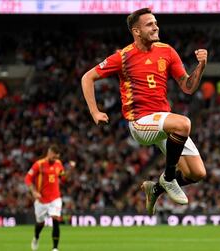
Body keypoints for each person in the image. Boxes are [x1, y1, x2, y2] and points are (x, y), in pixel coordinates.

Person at [81, 7, 207, 214]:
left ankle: (155, 188)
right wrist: (95, 112)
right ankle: (167, 178)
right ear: (136, 31)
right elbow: (87, 77)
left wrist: (201, 66)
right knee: (184, 123)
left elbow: (187, 87)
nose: (156, 26)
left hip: (162, 122)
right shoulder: (123, 57)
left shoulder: (166, 51)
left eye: (155, 22)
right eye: (149, 24)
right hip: (140, 122)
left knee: (197, 173)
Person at [25, 145, 75, 251]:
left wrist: (71, 169)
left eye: (57, 157)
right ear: (49, 153)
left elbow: (64, 178)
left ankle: (55, 248)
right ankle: (36, 237)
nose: (55, 159)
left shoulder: (58, 164)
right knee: (40, 223)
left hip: (55, 198)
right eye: (53, 156)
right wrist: (34, 192)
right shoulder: (39, 164)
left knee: (55, 219)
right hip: (41, 200)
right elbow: (28, 178)